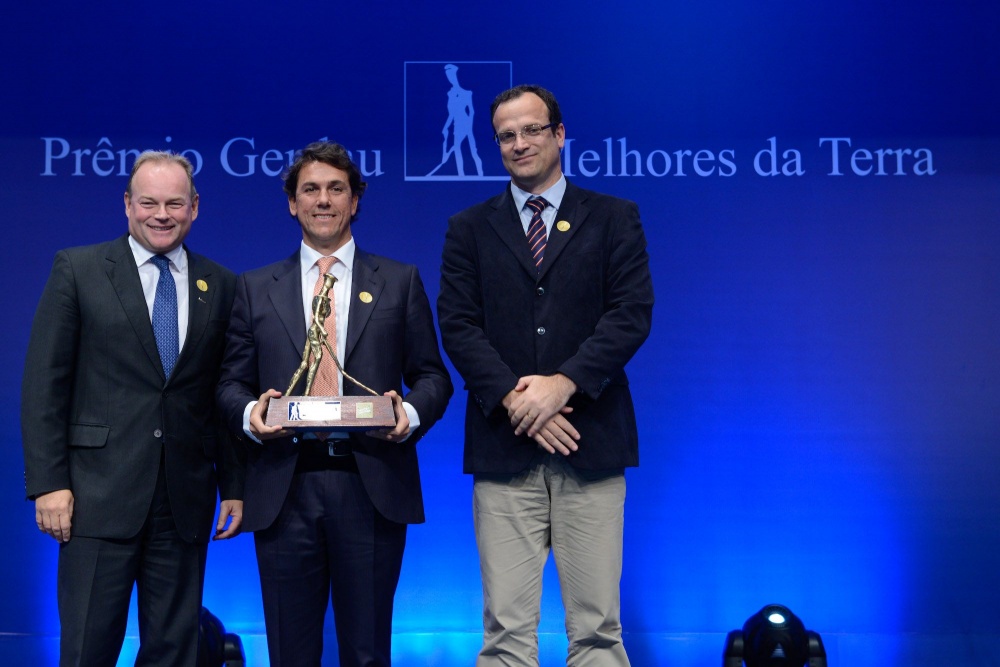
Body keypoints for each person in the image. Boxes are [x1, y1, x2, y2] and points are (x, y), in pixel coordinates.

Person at [437, 85, 654, 666]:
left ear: (559, 134)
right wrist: (516, 399)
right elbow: (457, 324)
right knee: (505, 634)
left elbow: (631, 314)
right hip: (503, 447)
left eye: (531, 130)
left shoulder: (613, 217)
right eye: (506, 136)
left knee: (597, 631)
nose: (519, 143)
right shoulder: (468, 228)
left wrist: (562, 385)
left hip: (590, 440)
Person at [217, 141, 453, 666]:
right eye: (310, 190)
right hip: (284, 487)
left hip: (370, 485)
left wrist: (408, 414)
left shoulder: (399, 281)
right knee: (290, 654)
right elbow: (230, 384)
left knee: (367, 653)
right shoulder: (254, 288)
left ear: (355, 200)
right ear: (292, 203)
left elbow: (433, 377)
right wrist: (252, 415)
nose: (323, 200)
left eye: (335, 189)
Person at [21, 151, 244, 666]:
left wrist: (234, 484)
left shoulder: (221, 285)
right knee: (88, 649)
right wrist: (49, 483)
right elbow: (44, 385)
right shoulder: (78, 270)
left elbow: (223, 394)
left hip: (184, 499)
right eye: (148, 202)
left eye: (174, 203)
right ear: (127, 204)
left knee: (174, 652)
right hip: (95, 498)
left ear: (194, 207)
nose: (161, 214)